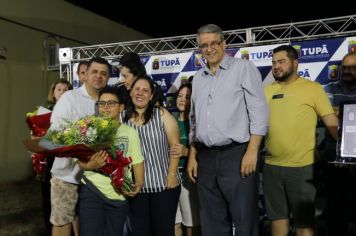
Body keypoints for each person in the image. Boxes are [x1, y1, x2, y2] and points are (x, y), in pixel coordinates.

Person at [187, 24, 269, 236]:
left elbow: (258, 111)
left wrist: (252, 151)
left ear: (224, 44)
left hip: (238, 154)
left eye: (214, 43)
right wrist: (193, 155)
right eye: (204, 45)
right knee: (211, 221)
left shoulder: (243, 68)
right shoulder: (198, 78)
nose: (209, 48)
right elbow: (194, 120)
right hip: (205, 157)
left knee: (244, 220)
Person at [263, 45, 338, 236]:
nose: (276, 67)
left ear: (295, 63)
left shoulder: (312, 88)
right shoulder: (265, 91)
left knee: (304, 223)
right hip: (271, 166)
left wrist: (349, 150)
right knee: (277, 219)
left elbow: (331, 123)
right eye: (273, 63)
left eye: (281, 62)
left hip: (302, 167)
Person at [49, 57, 110, 236]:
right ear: (85, 74)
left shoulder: (109, 101)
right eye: (94, 72)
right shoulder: (70, 98)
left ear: (108, 78)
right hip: (67, 175)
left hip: (97, 178)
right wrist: (82, 135)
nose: (98, 76)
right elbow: (55, 132)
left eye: (103, 73)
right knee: (62, 223)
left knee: (90, 227)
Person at [77, 86, 144, 236]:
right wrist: (89, 165)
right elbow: (78, 160)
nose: (106, 107)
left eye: (111, 103)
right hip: (92, 190)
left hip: (119, 195)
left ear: (121, 107)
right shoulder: (89, 130)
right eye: (102, 103)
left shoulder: (130, 133)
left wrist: (139, 183)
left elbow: (137, 161)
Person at [123, 75, 182, 236]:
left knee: (163, 231)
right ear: (131, 92)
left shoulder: (162, 114)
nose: (140, 93)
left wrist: (171, 174)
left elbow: (175, 148)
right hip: (136, 189)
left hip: (164, 185)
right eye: (137, 89)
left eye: (145, 90)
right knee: (140, 232)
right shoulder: (122, 118)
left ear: (151, 95)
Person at [322, 51, 356, 235]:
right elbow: (325, 112)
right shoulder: (327, 89)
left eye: (353, 68)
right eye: (345, 67)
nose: (347, 71)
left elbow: (334, 112)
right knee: (336, 206)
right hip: (335, 156)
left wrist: (338, 111)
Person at [38, 78, 72, 236]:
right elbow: (37, 137)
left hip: (69, 160)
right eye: (59, 89)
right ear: (53, 93)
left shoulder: (74, 111)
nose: (63, 92)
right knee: (49, 200)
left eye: (66, 89)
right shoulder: (44, 112)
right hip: (49, 159)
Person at [172, 83, 200, 236]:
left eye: (188, 97)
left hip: (189, 178)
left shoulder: (197, 123)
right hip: (170, 178)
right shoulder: (169, 121)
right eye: (180, 96)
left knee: (191, 223)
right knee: (174, 222)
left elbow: (205, 154)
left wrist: (187, 151)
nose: (183, 100)